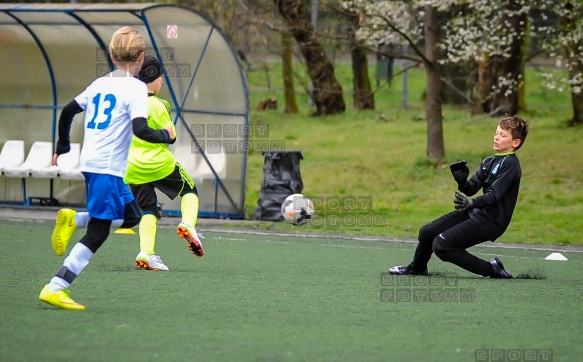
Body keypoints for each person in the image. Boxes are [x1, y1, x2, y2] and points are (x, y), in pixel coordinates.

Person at [39, 27, 176, 310]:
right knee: (99, 231)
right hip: (107, 169)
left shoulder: (100, 83)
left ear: (113, 56)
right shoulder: (137, 88)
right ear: (140, 58)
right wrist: (166, 135)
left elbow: (67, 111)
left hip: (92, 163)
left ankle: (74, 220)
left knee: (131, 215)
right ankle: (56, 286)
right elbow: (141, 130)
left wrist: (62, 146)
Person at [389, 115, 530, 279]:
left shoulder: (511, 164)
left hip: (491, 222)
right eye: (497, 133)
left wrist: (471, 203)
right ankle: (417, 268)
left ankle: (491, 269)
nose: (497, 137)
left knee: (441, 245)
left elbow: (493, 196)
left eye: (503, 135)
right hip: (477, 211)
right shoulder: (489, 161)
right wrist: (462, 181)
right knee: (427, 232)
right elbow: (471, 189)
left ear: (515, 143)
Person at [124, 55, 204, 272]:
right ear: (153, 78)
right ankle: (188, 224)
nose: (162, 81)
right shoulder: (160, 104)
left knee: (148, 208)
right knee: (189, 189)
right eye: (160, 77)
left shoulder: (129, 103)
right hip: (158, 164)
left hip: (132, 167)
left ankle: (146, 253)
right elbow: (171, 136)